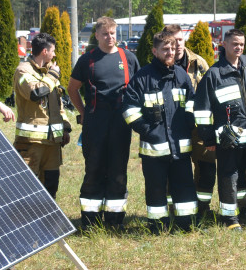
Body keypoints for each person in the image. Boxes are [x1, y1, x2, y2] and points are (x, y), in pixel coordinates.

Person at [193, 29, 246, 228]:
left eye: (241, 44)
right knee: (229, 178)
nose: (238, 47)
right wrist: (209, 139)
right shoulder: (214, 74)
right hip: (229, 138)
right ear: (224, 44)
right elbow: (201, 110)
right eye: (234, 44)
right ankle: (229, 219)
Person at [67, 17, 140, 231]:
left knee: (118, 171)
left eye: (113, 33)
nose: (110, 37)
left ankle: (115, 220)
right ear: (97, 35)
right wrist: (83, 113)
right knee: (94, 169)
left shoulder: (128, 58)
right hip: (95, 124)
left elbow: (138, 89)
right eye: (105, 34)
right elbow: (72, 89)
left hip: (120, 124)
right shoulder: (87, 60)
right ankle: (90, 220)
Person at [123, 31, 198, 233]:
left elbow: (192, 102)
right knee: (156, 190)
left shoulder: (181, 75)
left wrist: (188, 123)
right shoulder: (142, 77)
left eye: (173, 48)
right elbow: (129, 110)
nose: (170, 52)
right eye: (165, 49)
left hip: (180, 147)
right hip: (154, 149)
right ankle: (158, 227)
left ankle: (186, 225)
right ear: (155, 51)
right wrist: (148, 131)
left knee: (184, 187)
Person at [166, 24, 216, 220]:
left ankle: (202, 209)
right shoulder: (162, 63)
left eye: (180, 40)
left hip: (199, 127)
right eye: (172, 41)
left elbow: (210, 92)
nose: (177, 45)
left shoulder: (199, 63)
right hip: (173, 127)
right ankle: (173, 210)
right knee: (175, 169)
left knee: (206, 168)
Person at [12, 32, 68, 200]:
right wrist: (52, 76)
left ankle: (48, 222)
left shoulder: (50, 72)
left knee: (51, 184)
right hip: (31, 144)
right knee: (28, 187)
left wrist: (65, 127)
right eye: (53, 51)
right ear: (45, 51)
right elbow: (36, 92)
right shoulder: (23, 71)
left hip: (52, 143)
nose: (55, 54)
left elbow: (59, 105)